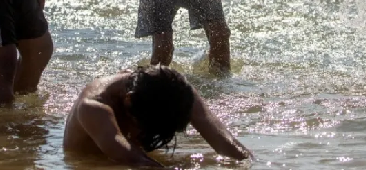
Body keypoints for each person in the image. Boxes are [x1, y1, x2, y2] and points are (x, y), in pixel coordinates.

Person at [63, 66, 252, 167]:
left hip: (134, 156)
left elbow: (225, 142)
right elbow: (132, 159)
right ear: (128, 102)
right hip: (94, 162)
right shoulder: (94, 108)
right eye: (146, 128)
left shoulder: (175, 90)